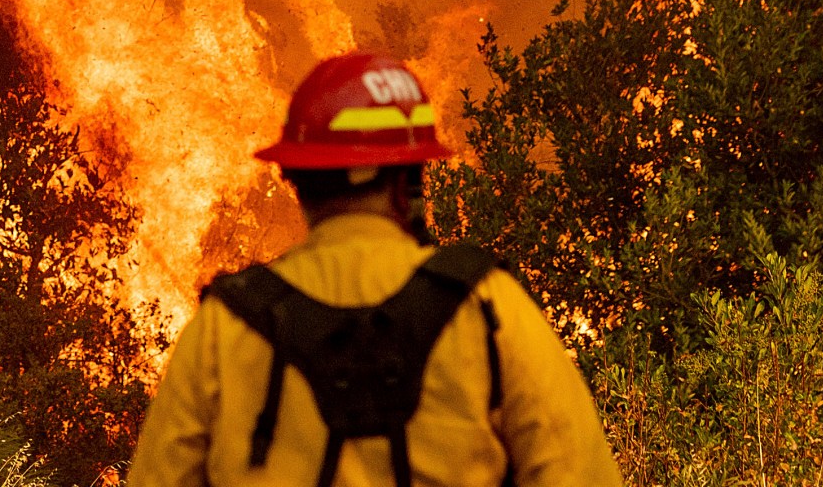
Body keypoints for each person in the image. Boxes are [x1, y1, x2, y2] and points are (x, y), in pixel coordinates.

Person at [126, 52, 621, 487]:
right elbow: (576, 472)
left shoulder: (223, 327)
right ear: (408, 183)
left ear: (298, 180)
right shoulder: (487, 305)